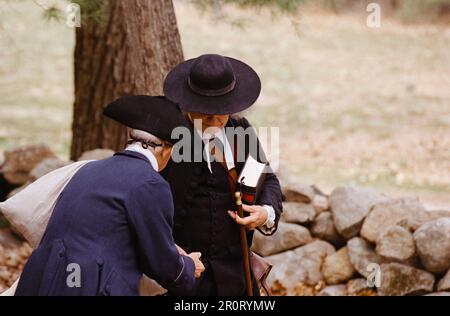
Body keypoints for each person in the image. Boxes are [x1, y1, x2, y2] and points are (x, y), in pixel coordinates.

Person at [15, 95, 204, 296]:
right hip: (88, 285)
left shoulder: (89, 169)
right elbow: (162, 265)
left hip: (43, 279)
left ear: (130, 136)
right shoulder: (151, 183)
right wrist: (188, 266)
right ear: (167, 149)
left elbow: (108, 231)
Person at [162, 54, 283, 296]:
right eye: (206, 109)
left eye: (221, 109)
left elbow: (266, 179)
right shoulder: (168, 139)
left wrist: (265, 213)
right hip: (185, 278)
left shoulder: (241, 131)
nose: (214, 117)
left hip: (237, 278)